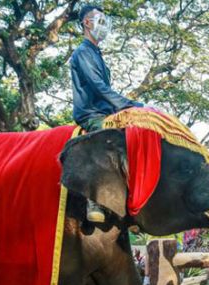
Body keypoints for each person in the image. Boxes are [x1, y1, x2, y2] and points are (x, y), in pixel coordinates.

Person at [70, 5, 143, 223]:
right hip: (90, 113)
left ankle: (131, 203)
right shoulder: (82, 53)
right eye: (99, 21)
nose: (103, 27)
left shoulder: (96, 54)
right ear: (86, 23)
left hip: (104, 110)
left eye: (105, 22)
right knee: (109, 138)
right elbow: (98, 87)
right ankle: (94, 199)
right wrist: (129, 105)